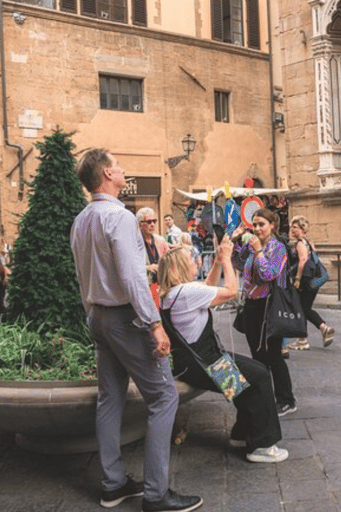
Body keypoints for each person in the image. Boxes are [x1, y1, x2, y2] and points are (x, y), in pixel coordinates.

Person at [70, 148, 202, 512]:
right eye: (118, 165)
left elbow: (82, 277)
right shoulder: (120, 217)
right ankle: (157, 495)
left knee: (110, 398)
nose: (123, 170)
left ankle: (113, 484)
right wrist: (155, 325)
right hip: (124, 317)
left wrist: (92, 314)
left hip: (98, 314)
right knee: (164, 397)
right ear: (107, 174)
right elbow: (132, 278)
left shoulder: (81, 219)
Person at [158, 239, 289, 463]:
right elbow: (230, 292)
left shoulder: (176, 292)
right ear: (181, 267)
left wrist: (218, 261)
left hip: (193, 361)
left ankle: (242, 433)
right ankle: (261, 445)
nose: (196, 261)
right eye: (191, 259)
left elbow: (208, 287)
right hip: (204, 363)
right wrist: (227, 260)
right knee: (259, 376)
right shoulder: (187, 292)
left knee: (252, 374)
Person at [231, 208, 297, 417]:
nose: (257, 228)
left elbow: (269, 273)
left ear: (272, 225)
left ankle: (287, 399)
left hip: (270, 306)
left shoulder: (278, 248)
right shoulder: (251, 245)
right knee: (257, 356)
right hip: (252, 306)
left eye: (262, 224)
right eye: (255, 224)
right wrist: (235, 242)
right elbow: (238, 263)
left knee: (274, 355)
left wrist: (259, 251)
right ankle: (265, 396)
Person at [288, 215, 334, 350]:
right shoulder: (308, 242)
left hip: (305, 280)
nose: (292, 229)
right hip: (312, 280)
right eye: (291, 227)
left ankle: (307, 337)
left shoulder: (300, 243)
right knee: (303, 308)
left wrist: (297, 279)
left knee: (301, 309)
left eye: (295, 227)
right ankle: (317, 331)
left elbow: (302, 261)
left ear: (302, 229)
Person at [137, 207, 169, 285]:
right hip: (144, 285)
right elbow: (129, 267)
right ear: (140, 224)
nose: (152, 225)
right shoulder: (135, 243)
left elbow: (169, 260)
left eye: (154, 221)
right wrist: (147, 268)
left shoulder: (160, 240)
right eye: (149, 222)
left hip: (161, 285)